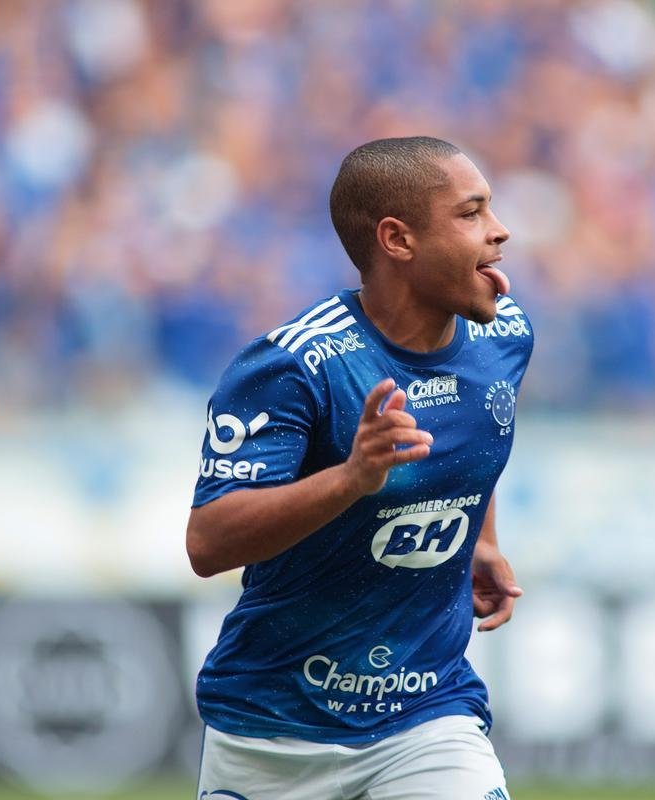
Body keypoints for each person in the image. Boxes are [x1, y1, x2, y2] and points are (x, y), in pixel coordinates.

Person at [187, 136, 533, 800]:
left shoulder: (504, 334)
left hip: (428, 714)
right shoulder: (291, 366)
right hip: (273, 729)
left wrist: (480, 541)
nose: (499, 231)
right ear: (397, 240)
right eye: (470, 214)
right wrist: (351, 478)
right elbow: (209, 542)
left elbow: (476, 435)